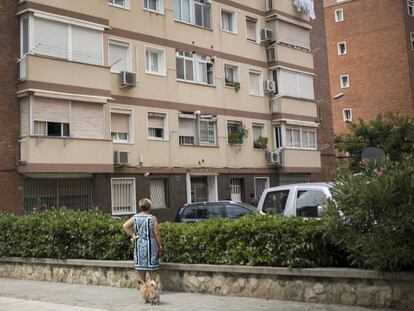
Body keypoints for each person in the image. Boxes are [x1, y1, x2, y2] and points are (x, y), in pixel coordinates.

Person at [123, 198, 163, 283]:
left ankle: (143, 289)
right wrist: (160, 246)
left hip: (139, 246)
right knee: (152, 270)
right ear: (149, 207)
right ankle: (152, 289)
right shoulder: (153, 218)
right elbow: (156, 233)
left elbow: (125, 226)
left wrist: (133, 235)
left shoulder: (135, 217)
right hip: (151, 246)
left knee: (141, 269)